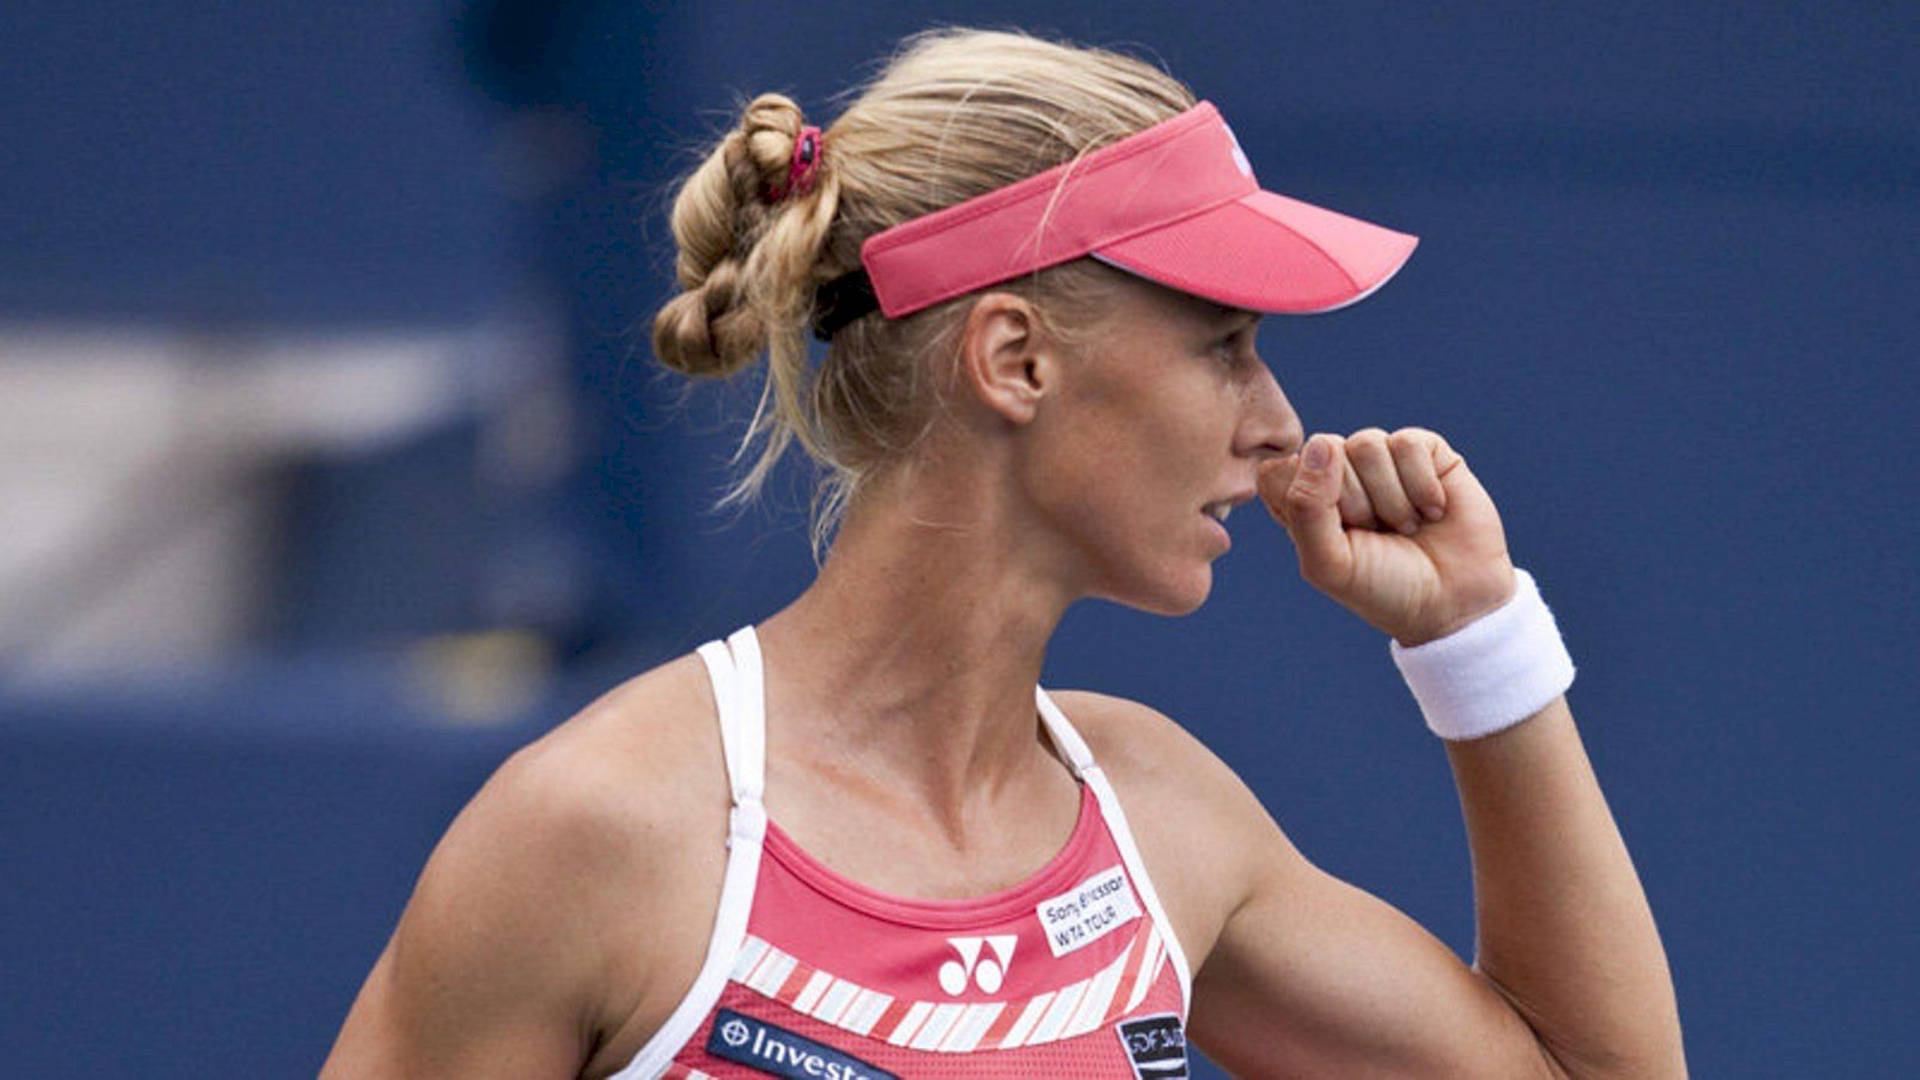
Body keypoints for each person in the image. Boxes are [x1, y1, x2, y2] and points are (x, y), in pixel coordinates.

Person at [321, 27, 1684, 1079]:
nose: (1279, 428)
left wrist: (1474, 637)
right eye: (1225, 349)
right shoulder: (601, 833)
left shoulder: (1164, 821)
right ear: (1016, 359)